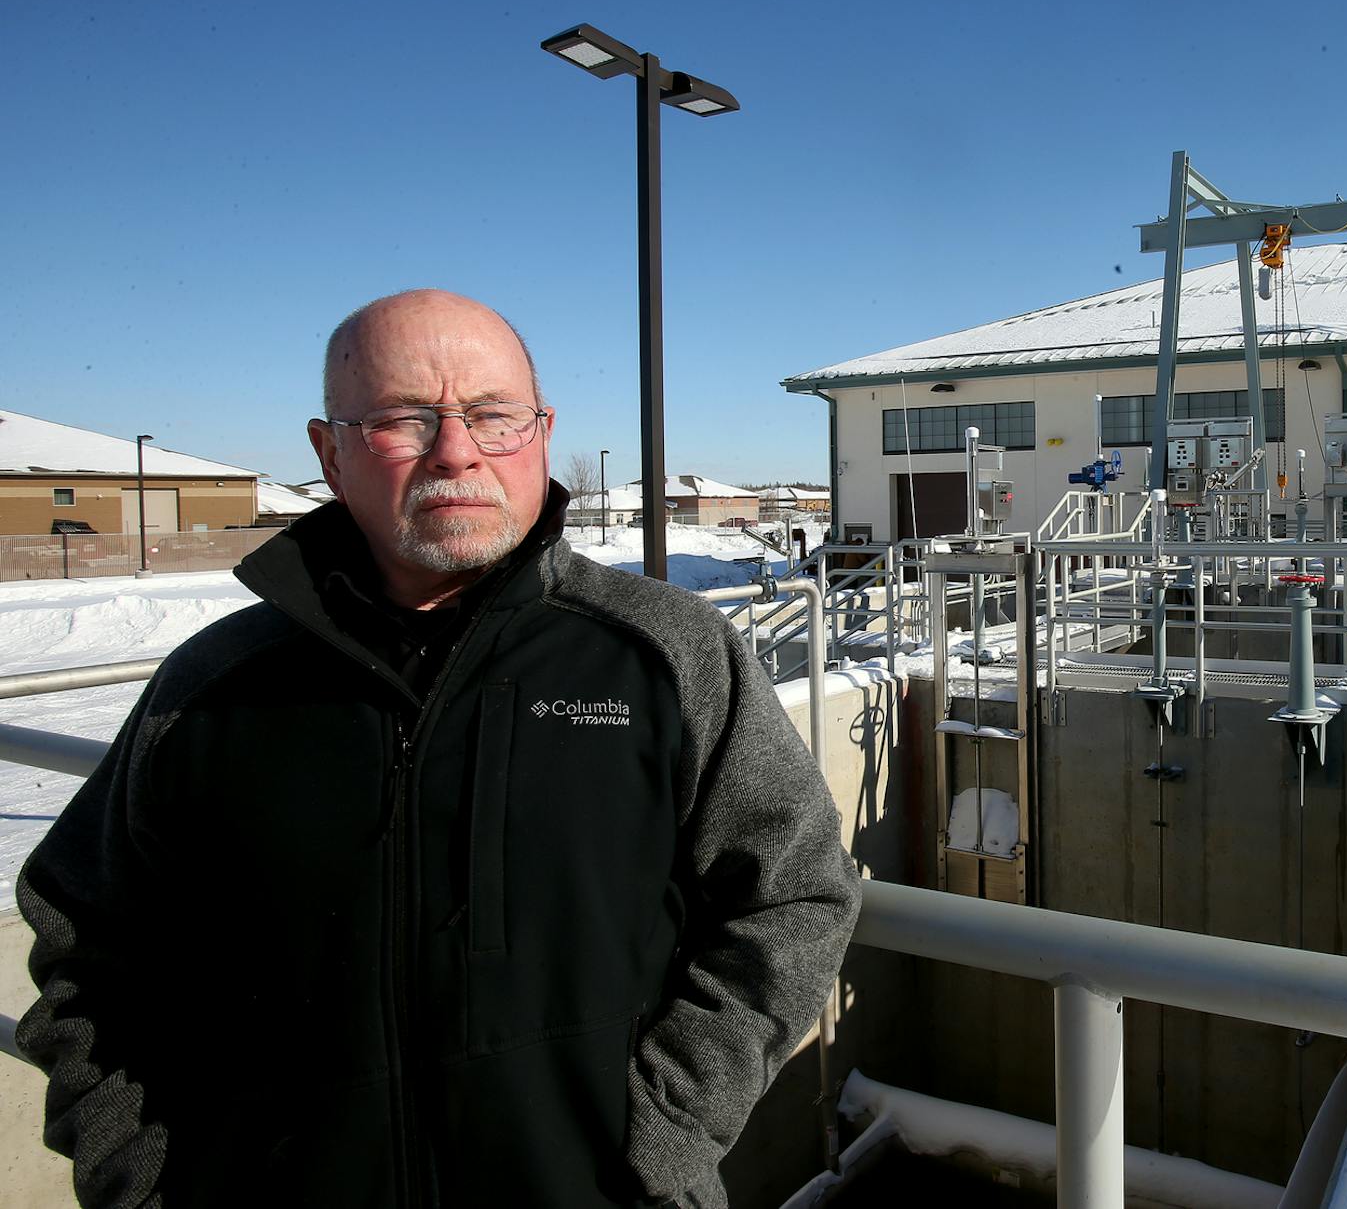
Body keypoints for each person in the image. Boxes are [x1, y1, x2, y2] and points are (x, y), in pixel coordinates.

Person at [17, 290, 860, 1208]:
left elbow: (795, 893)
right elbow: (85, 945)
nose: (456, 450)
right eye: (400, 420)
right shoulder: (214, 689)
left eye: (492, 415)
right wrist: (143, 1178)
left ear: (540, 432)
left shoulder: (667, 655)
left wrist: (663, 1127)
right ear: (329, 452)